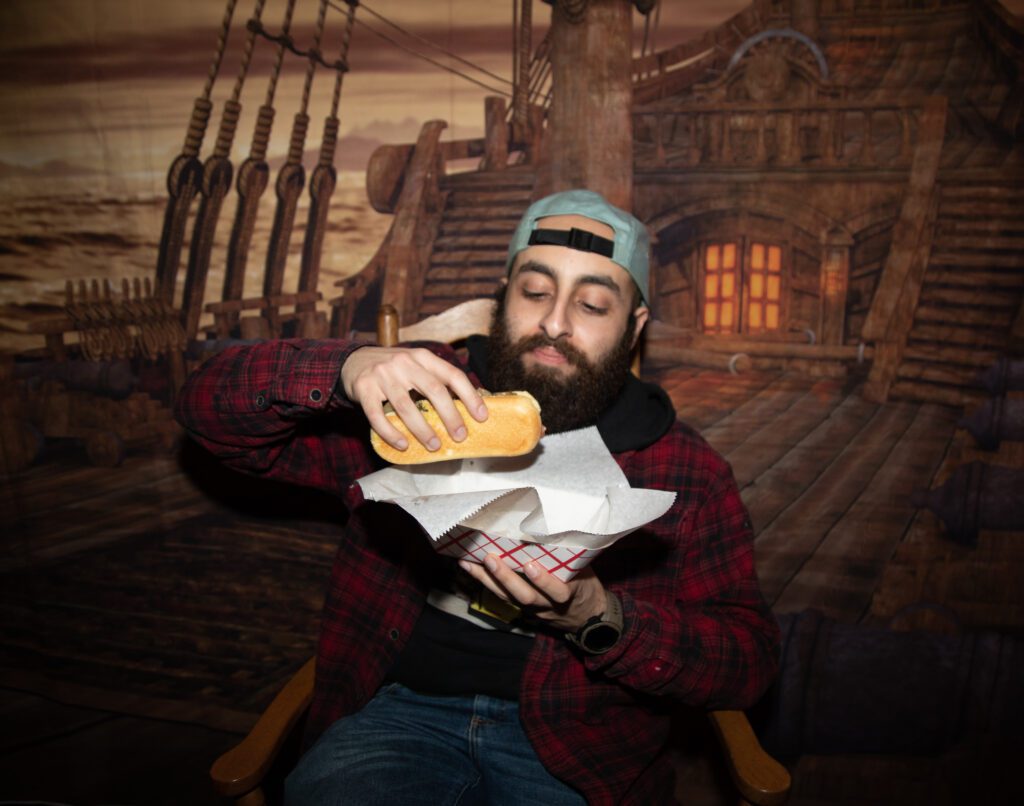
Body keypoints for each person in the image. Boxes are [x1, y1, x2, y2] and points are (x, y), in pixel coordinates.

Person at [175, 189, 780, 805]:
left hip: (577, 748)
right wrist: (347, 370)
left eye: (594, 304)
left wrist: (603, 620)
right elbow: (205, 414)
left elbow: (748, 662)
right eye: (535, 292)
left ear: (634, 328)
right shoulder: (417, 402)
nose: (554, 322)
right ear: (503, 296)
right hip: (398, 715)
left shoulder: (686, 469)